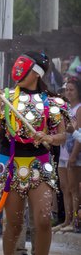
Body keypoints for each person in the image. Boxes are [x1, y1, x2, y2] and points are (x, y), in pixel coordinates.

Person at [0, 52, 68, 255]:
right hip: (10, 164)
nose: (18, 70)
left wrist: (49, 137)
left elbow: (62, 135)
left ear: (36, 73)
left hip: (40, 163)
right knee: (15, 222)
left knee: (43, 219)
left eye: (25, 67)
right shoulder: (5, 97)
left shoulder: (52, 101)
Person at [54, 76, 80, 232]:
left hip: (73, 154)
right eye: (67, 90)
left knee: (73, 188)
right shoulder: (66, 108)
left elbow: (79, 135)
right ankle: (66, 220)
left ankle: (75, 221)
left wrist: (74, 155)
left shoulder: (79, 109)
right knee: (64, 187)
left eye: (72, 90)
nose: (69, 93)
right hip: (63, 151)